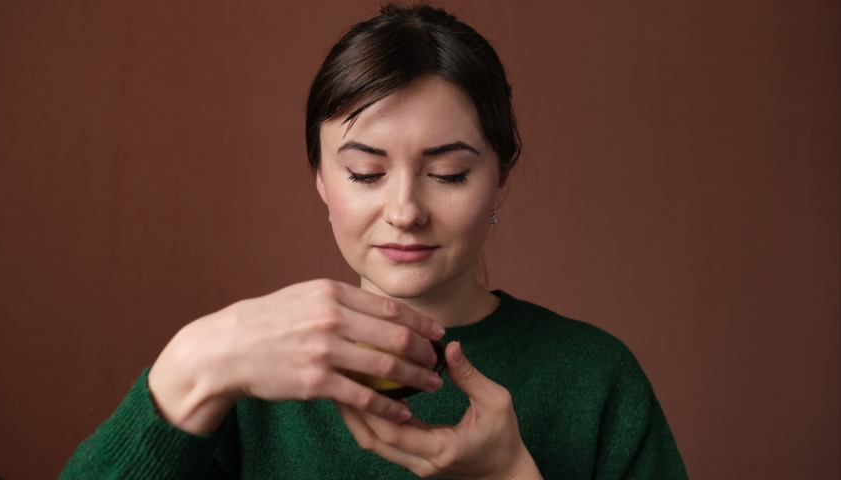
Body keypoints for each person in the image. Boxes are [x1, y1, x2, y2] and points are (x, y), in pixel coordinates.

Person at [60, 4, 688, 479]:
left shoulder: (598, 379)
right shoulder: (251, 377)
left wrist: (508, 475)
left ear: (500, 180)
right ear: (322, 180)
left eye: (448, 173)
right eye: (365, 173)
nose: (405, 210)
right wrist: (197, 360)